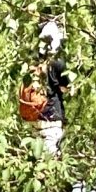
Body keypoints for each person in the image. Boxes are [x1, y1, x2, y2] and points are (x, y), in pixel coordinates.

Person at [34, 15, 69, 156]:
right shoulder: (58, 63)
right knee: (51, 161)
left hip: (35, 117)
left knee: (37, 158)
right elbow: (66, 87)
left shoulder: (35, 60)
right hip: (52, 118)